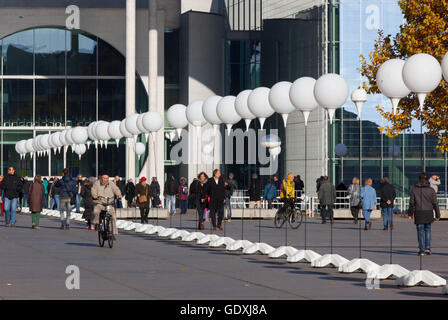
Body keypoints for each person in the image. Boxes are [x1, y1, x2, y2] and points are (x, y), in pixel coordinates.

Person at [409, 172, 440, 255]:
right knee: (428, 229)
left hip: (418, 213)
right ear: (427, 180)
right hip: (428, 212)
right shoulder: (431, 190)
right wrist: (438, 215)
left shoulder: (414, 189)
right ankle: (428, 248)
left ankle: (421, 249)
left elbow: (411, 203)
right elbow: (435, 203)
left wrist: (410, 214)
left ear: (419, 179)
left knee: (420, 231)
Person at [92, 174, 122, 238]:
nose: (105, 180)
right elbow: (93, 190)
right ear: (101, 178)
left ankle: (112, 233)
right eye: (104, 178)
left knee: (113, 217)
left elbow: (116, 189)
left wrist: (119, 194)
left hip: (109, 203)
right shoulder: (97, 183)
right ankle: (97, 223)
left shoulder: (111, 184)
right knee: (96, 211)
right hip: (100, 203)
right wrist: (94, 195)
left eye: (107, 178)